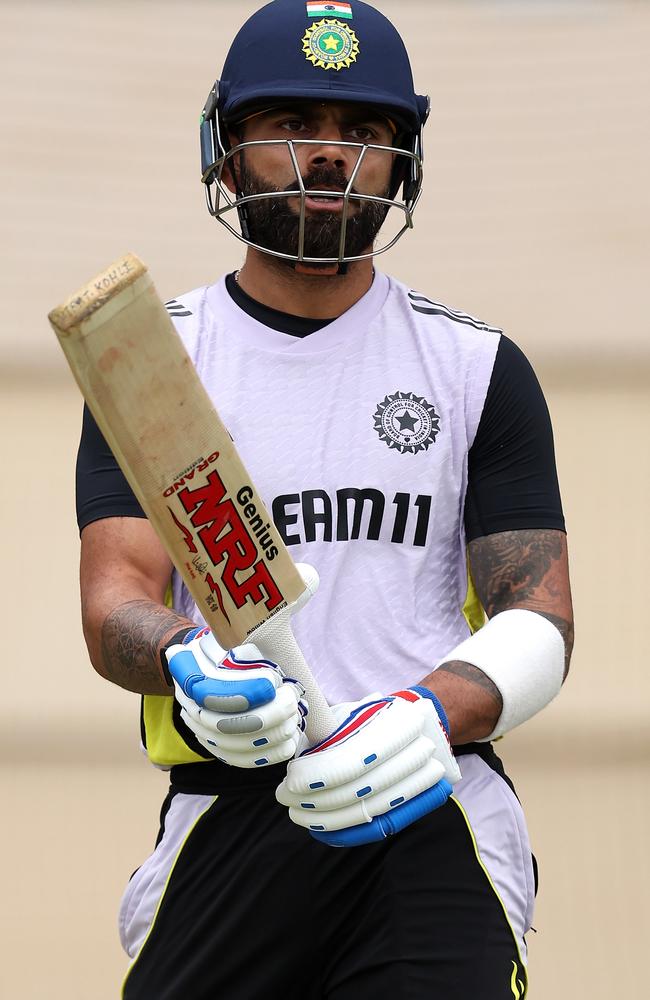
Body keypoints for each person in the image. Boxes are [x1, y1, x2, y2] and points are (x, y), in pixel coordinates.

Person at [76, 2, 573, 997]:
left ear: (401, 163)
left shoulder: (473, 366)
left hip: (429, 805)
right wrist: (186, 663)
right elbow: (114, 595)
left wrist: (426, 716)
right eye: (291, 125)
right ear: (228, 150)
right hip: (226, 809)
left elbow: (541, 618)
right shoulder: (149, 363)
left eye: (364, 133)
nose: (328, 156)